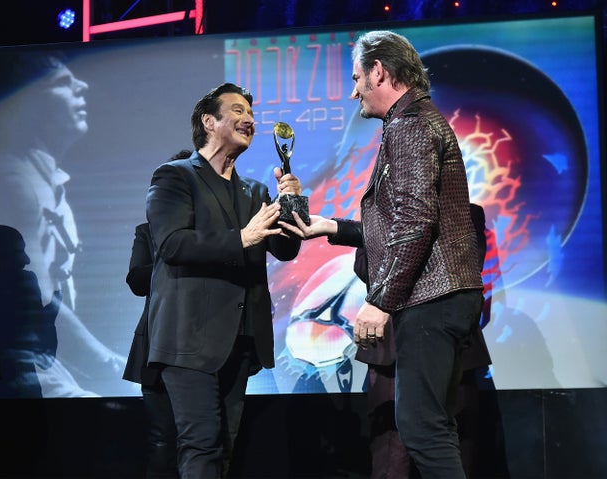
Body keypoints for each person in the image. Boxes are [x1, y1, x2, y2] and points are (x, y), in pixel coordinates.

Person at [280, 31, 484, 478]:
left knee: (421, 428)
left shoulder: (409, 125)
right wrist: (330, 227)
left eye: (357, 78)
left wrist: (380, 301)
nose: (353, 91)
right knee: (431, 426)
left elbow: (414, 220)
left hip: (432, 298)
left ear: (379, 71)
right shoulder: (414, 122)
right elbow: (399, 223)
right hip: (442, 295)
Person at [145, 82, 302, 478]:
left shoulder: (254, 190)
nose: (248, 118)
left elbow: (286, 249)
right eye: (236, 110)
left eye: (250, 113)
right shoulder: (175, 177)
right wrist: (242, 238)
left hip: (240, 340)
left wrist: (292, 200)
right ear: (209, 121)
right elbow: (172, 245)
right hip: (189, 339)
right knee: (201, 444)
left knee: (224, 448)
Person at [0, 51, 125, 397]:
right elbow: (40, 301)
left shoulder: (47, 181)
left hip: (53, 359)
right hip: (28, 366)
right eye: (63, 83)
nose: (82, 86)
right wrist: (110, 361)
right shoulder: (15, 181)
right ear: (29, 104)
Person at [353, 203, 494, 478]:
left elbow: (466, 269)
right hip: (391, 351)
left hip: (449, 347)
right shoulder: (378, 215)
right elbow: (363, 269)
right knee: (390, 456)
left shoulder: (466, 213)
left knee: (453, 448)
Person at [123, 221, 179, 478]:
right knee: (162, 440)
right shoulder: (148, 231)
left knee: (208, 440)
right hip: (157, 346)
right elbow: (136, 280)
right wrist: (179, 253)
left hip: (207, 344)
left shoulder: (213, 231)